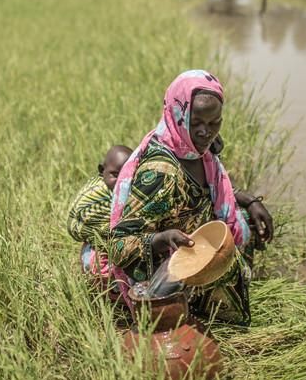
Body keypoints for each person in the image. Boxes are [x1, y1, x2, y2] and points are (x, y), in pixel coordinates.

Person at [108, 69, 273, 325]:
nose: (206, 132)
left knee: (245, 220)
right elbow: (118, 246)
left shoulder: (197, 151)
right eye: (195, 123)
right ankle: (200, 312)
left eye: (213, 122)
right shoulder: (162, 173)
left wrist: (249, 200)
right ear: (177, 114)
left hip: (193, 248)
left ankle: (227, 291)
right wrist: (160, 239)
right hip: (167, 269)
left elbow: (210, 193)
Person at [67, 145, 133, 277]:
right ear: (102, 170)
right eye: (115, 175)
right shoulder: (97, 195)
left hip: (100, 243)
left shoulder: (124, 189)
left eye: (128, 176)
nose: (121, 181)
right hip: (97, 247)